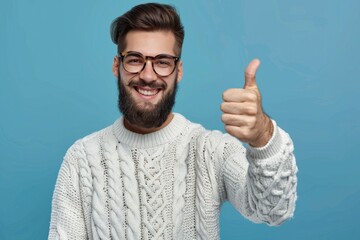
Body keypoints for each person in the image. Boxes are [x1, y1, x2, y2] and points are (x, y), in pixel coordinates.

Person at [48, 3, 297, 240]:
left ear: (178, 71)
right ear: (117, 66)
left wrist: (263, 134)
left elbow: (273, 211)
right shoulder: (81, 160)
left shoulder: (212, 150)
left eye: (162, 62)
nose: (147, 75)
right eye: (135, 59)